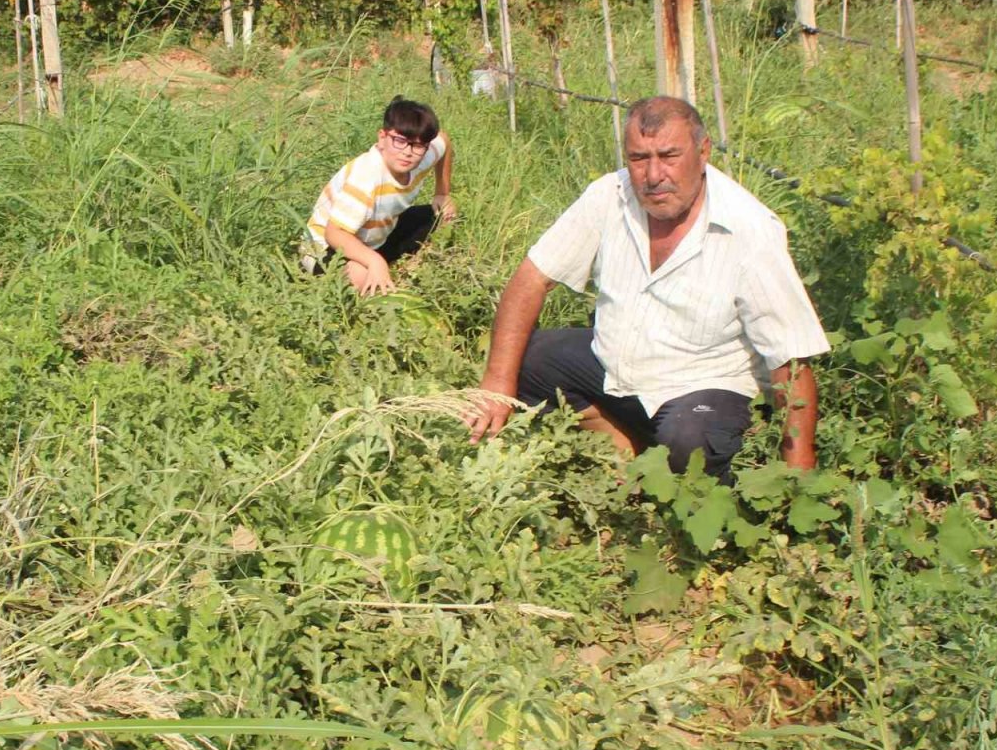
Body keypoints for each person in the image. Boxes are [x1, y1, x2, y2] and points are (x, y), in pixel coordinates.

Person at [467, 96, 829, 483]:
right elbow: (531, 278)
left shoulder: (749, 229)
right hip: (616, 366)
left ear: (703, 152)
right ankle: (623, 446)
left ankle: (679, 463)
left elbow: (791, 358)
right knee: (521, 357)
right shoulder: (610, 196)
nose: (653, 175)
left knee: (688, 440)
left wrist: (798, 481)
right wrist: (497, 383)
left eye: (669, 156)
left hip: (701, 386)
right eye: (639, 158)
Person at [302, 97, 457, 296]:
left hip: (376, 236)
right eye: (399, 141)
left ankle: (412, 265)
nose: (407, 152)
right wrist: (375, 261)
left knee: (443, 214)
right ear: (382, 137)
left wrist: (442, 193)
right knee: (361, 276)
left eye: (418, 145)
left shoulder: (421, 156)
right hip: (325, 247)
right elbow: (334, 234)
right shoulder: (367, 177)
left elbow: (444, 140)